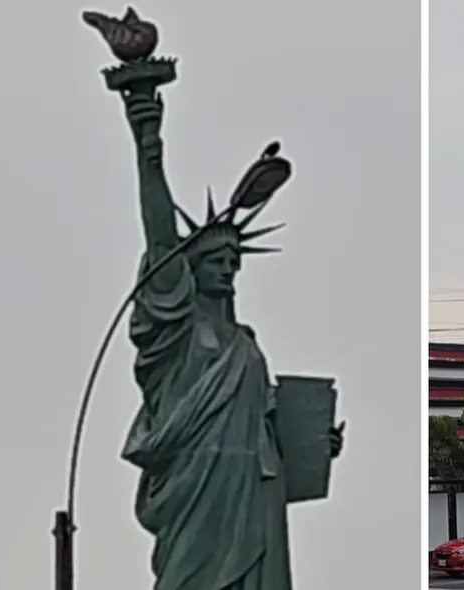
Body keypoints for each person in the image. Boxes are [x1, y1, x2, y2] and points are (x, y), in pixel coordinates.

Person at [118, 90, 344, 590]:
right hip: (196, 483)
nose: (226, 269)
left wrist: (311, 447)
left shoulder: (246, 342)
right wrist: (147, 140)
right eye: (214, 261)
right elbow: (159, 236)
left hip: (255, 483)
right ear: (186, 272)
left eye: (232, 262)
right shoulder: (173, 333)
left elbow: (264, 421)